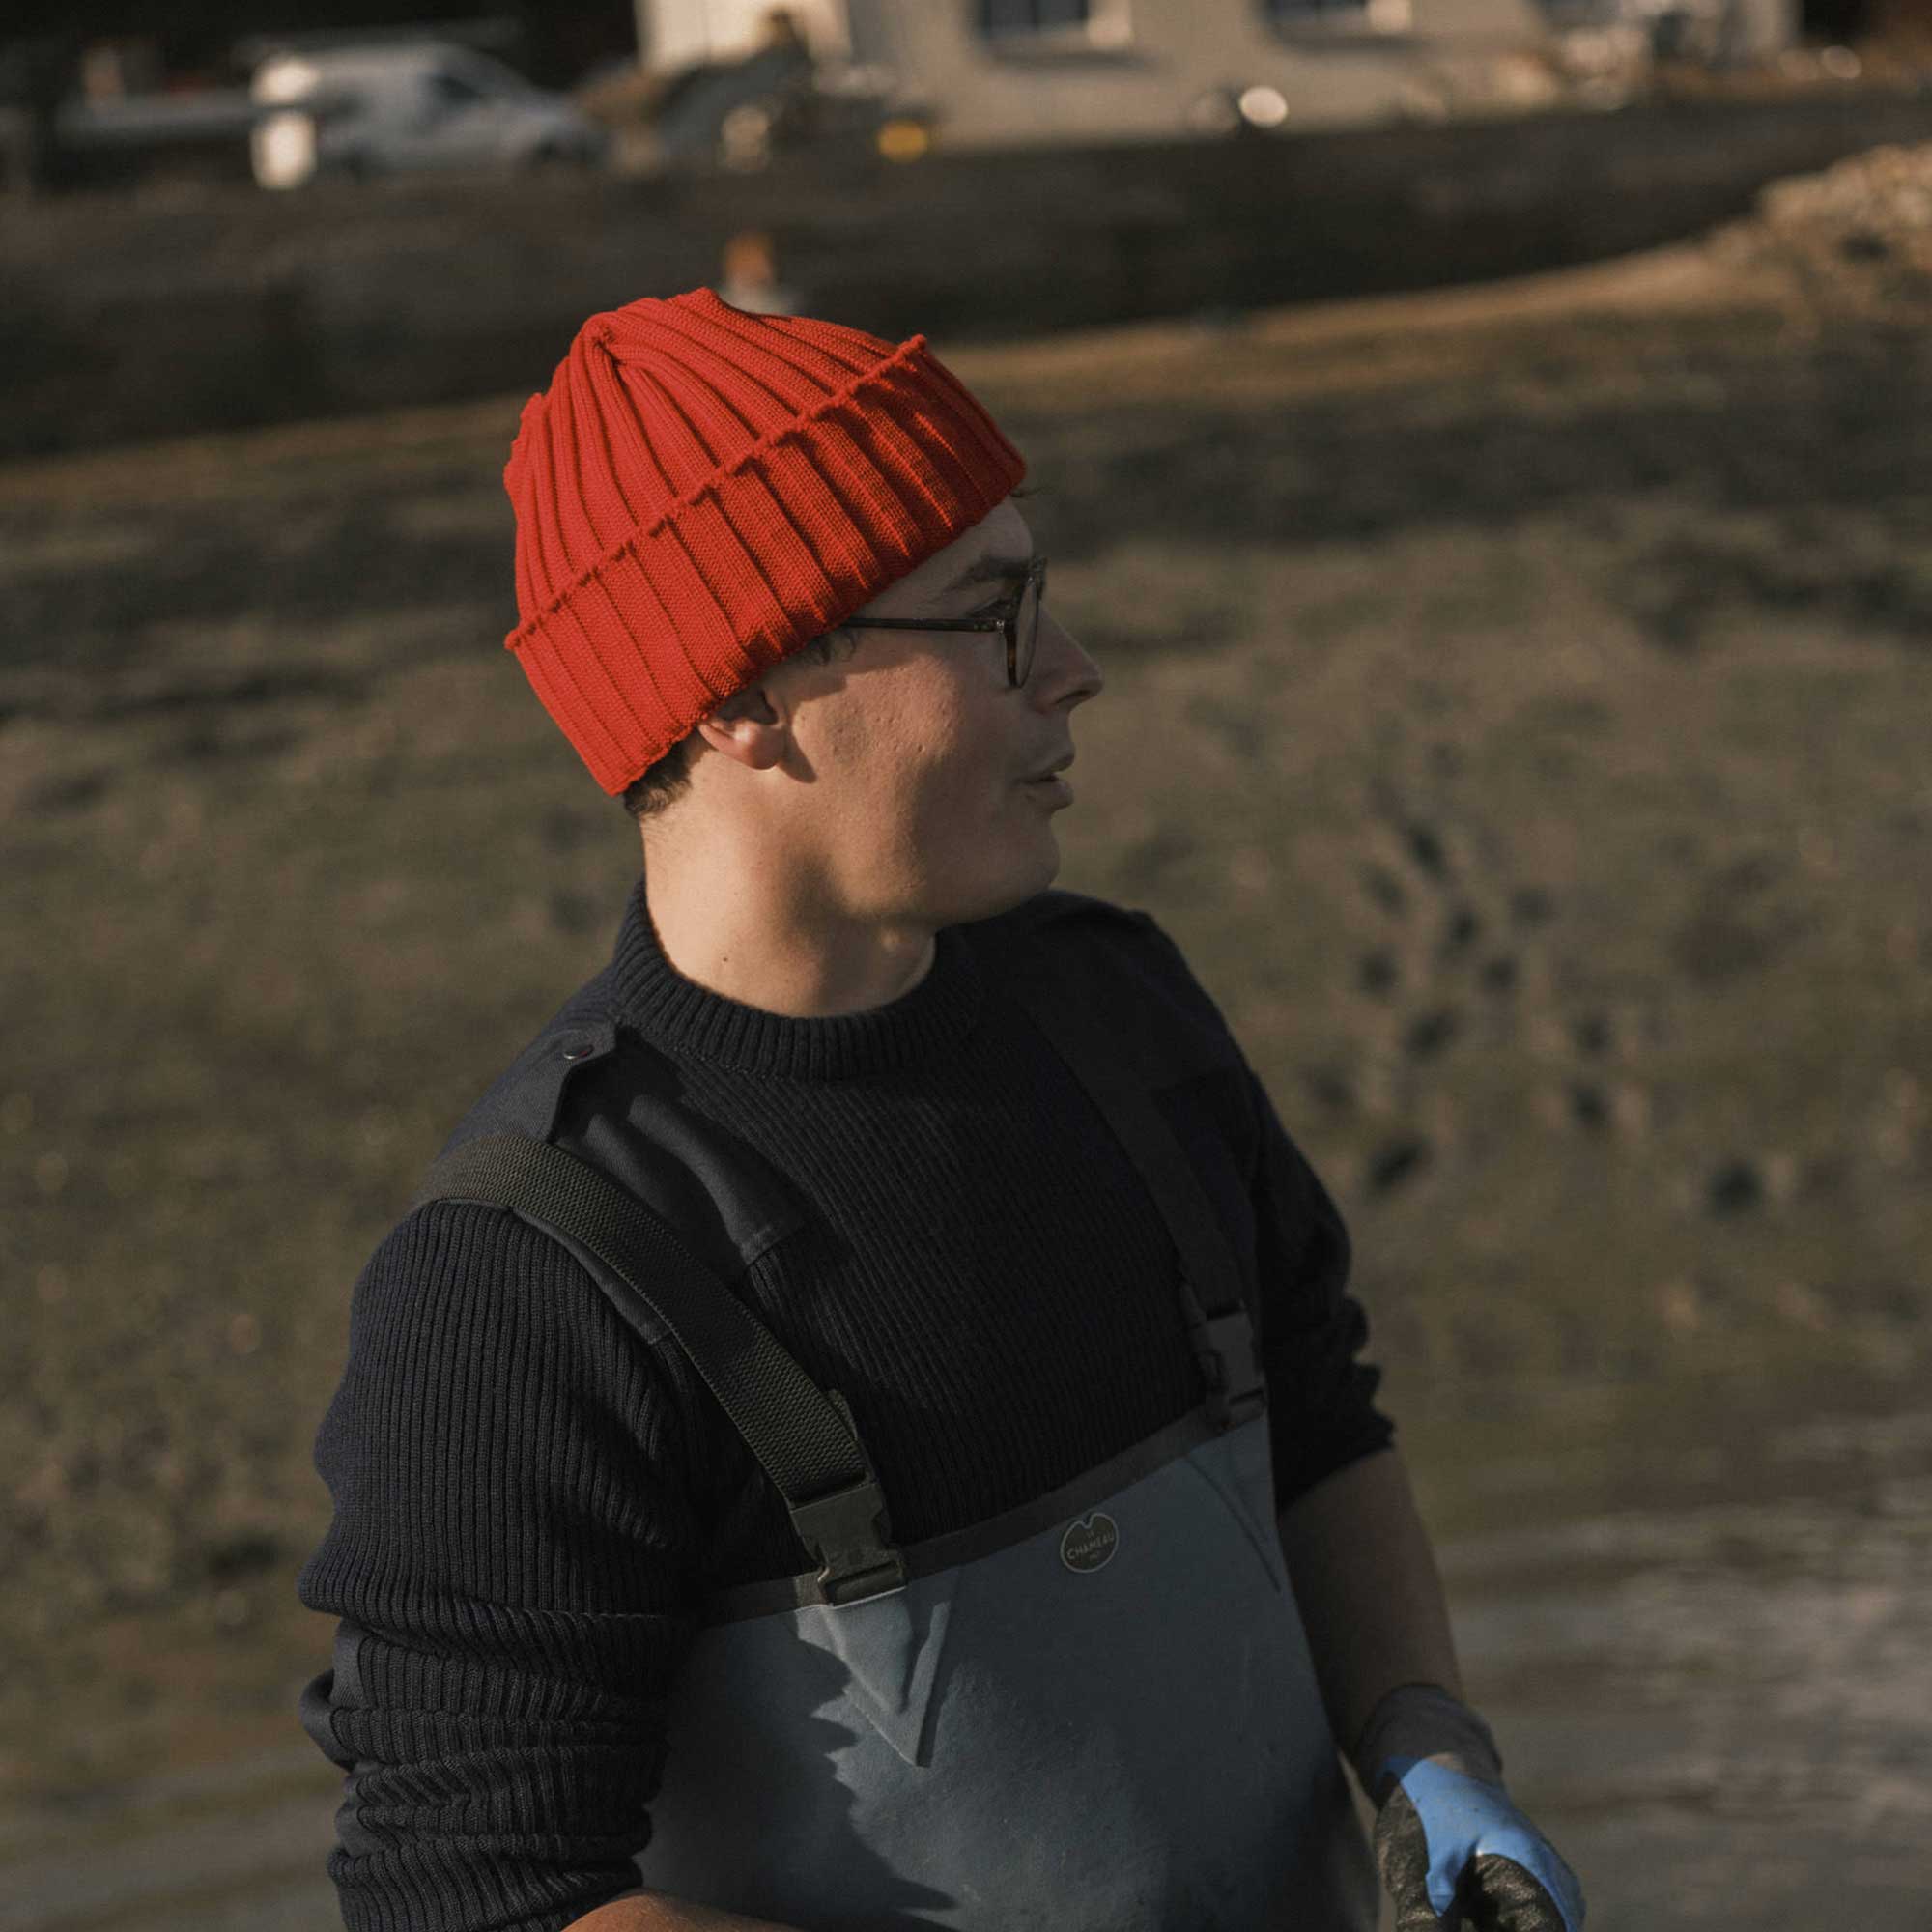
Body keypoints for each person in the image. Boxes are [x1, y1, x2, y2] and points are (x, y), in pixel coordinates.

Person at [296, 287, 1587, 1932]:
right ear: (747, 687)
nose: (1074, 670)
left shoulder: (1123, 1014)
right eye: (994, 616)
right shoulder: (529, 1275)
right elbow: (471, 1895)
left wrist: (1423, 1741)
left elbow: (1323, 1432)